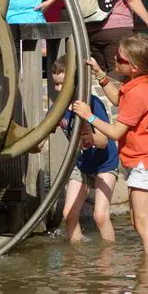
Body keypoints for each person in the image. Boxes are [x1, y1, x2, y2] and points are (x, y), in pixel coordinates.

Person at [70, 34, 148, 256]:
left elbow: (114, 132)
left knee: (144, 225)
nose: (115, 58)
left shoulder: (138, 93)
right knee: (137, 221)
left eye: (119, 58)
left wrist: (89, 116)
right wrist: (101, 76)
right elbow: (117, 100)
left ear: (133, 66)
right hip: (139, 162)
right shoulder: (134, 84)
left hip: (145, 163)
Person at [47, 56, 118, 242]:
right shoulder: (57, 109)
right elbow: (39, 142)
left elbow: (103, 141)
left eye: (62, 84)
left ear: (75, 82)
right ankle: (76, 263)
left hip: (105, 163)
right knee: (69, 215)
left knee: (100, 217)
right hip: (82, 164)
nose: (58, 89)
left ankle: (108, 260)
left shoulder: (92, 103)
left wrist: (89, 138)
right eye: (55, 85)